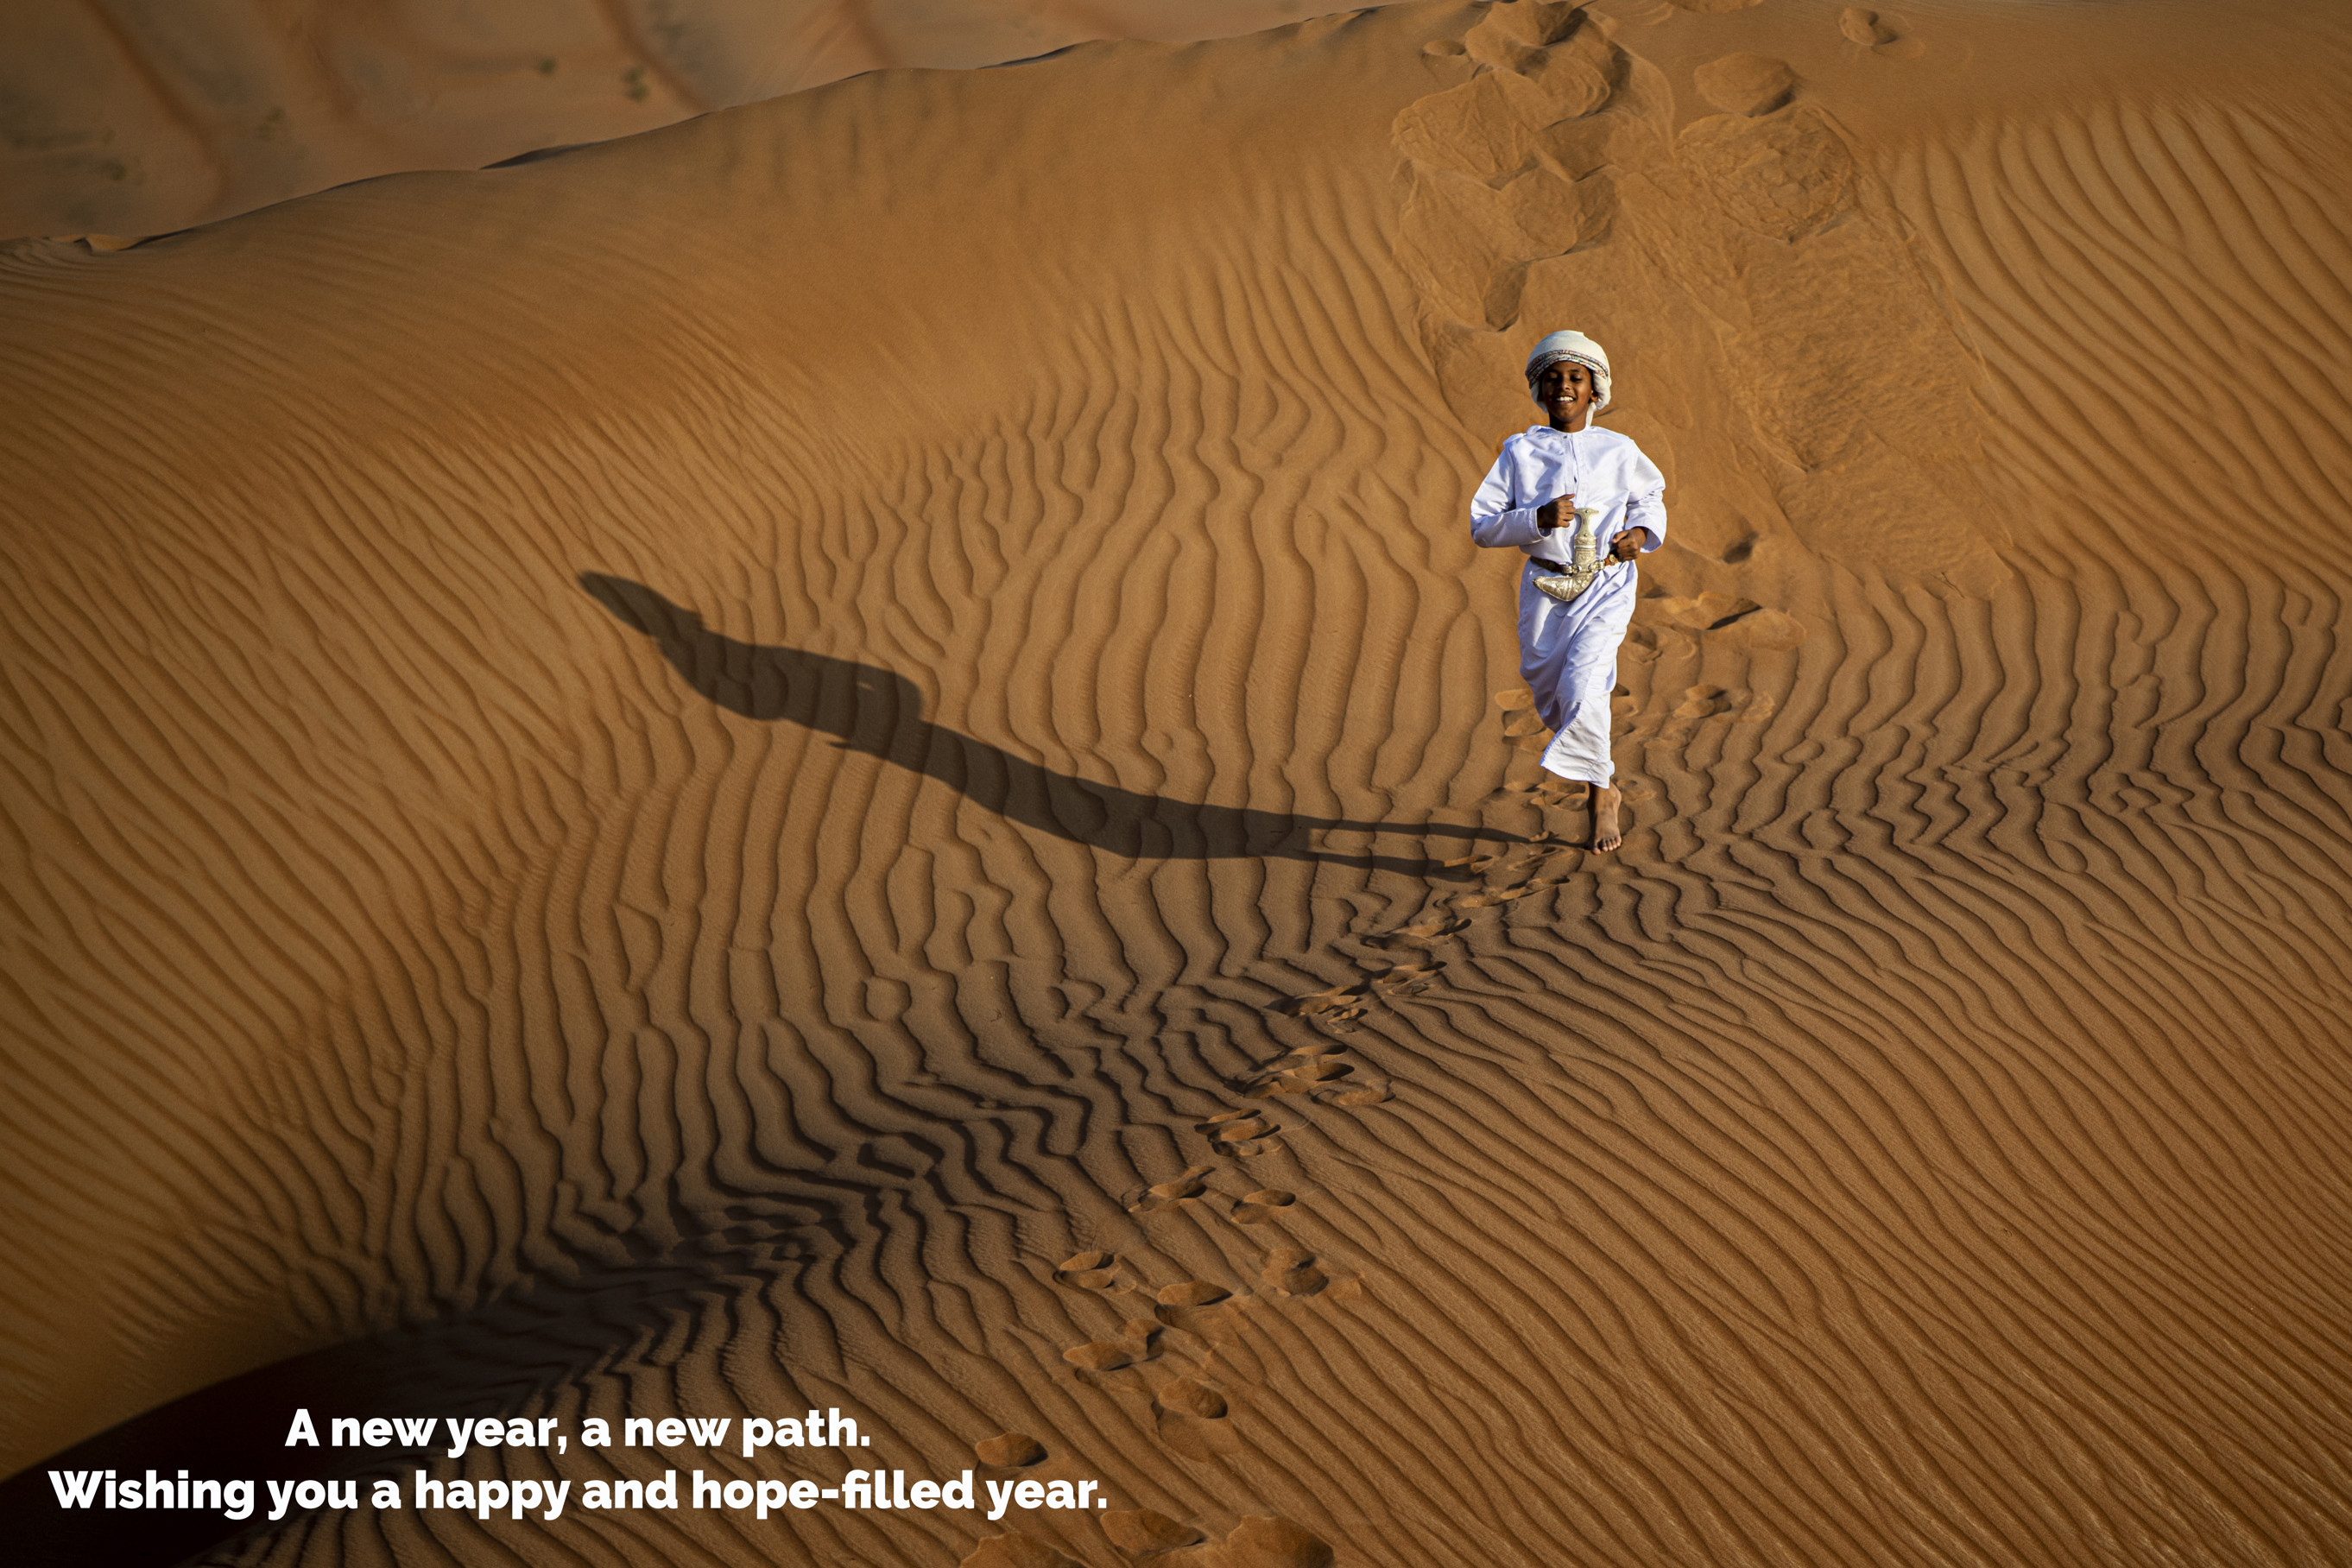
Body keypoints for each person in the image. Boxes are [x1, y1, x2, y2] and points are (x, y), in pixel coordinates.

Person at [1468, 330, 1666, 853]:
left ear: (1593, 390)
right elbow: (1483, 526)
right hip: (1545, 586)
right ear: (1539, 387)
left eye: (1575, 378)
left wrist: (1640, 535)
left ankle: (1601, 794)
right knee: (1551, 693)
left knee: (1584, 686)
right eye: (1553, 378)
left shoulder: (1619, 449)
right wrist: (1534, 518)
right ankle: (1600, 774)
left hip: (1605, 582)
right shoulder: (1520, 451)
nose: (1564, 387)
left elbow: (1650, 497)